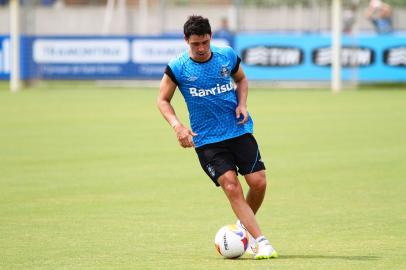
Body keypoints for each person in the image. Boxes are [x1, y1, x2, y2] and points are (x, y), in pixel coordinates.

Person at [157, 15, 278, 260]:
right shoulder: (178, 67)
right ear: (186, 41)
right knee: (231, 185)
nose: (201, 49)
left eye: (204, 42)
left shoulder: (226, 56)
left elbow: (242, 79)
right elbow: (162, 100)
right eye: (195, 44)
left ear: (210, 37)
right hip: (207, 140)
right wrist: (177, 126)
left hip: (238, 130)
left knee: (259, 182)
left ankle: (242, 226)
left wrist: (242, 104)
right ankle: (261, 242)